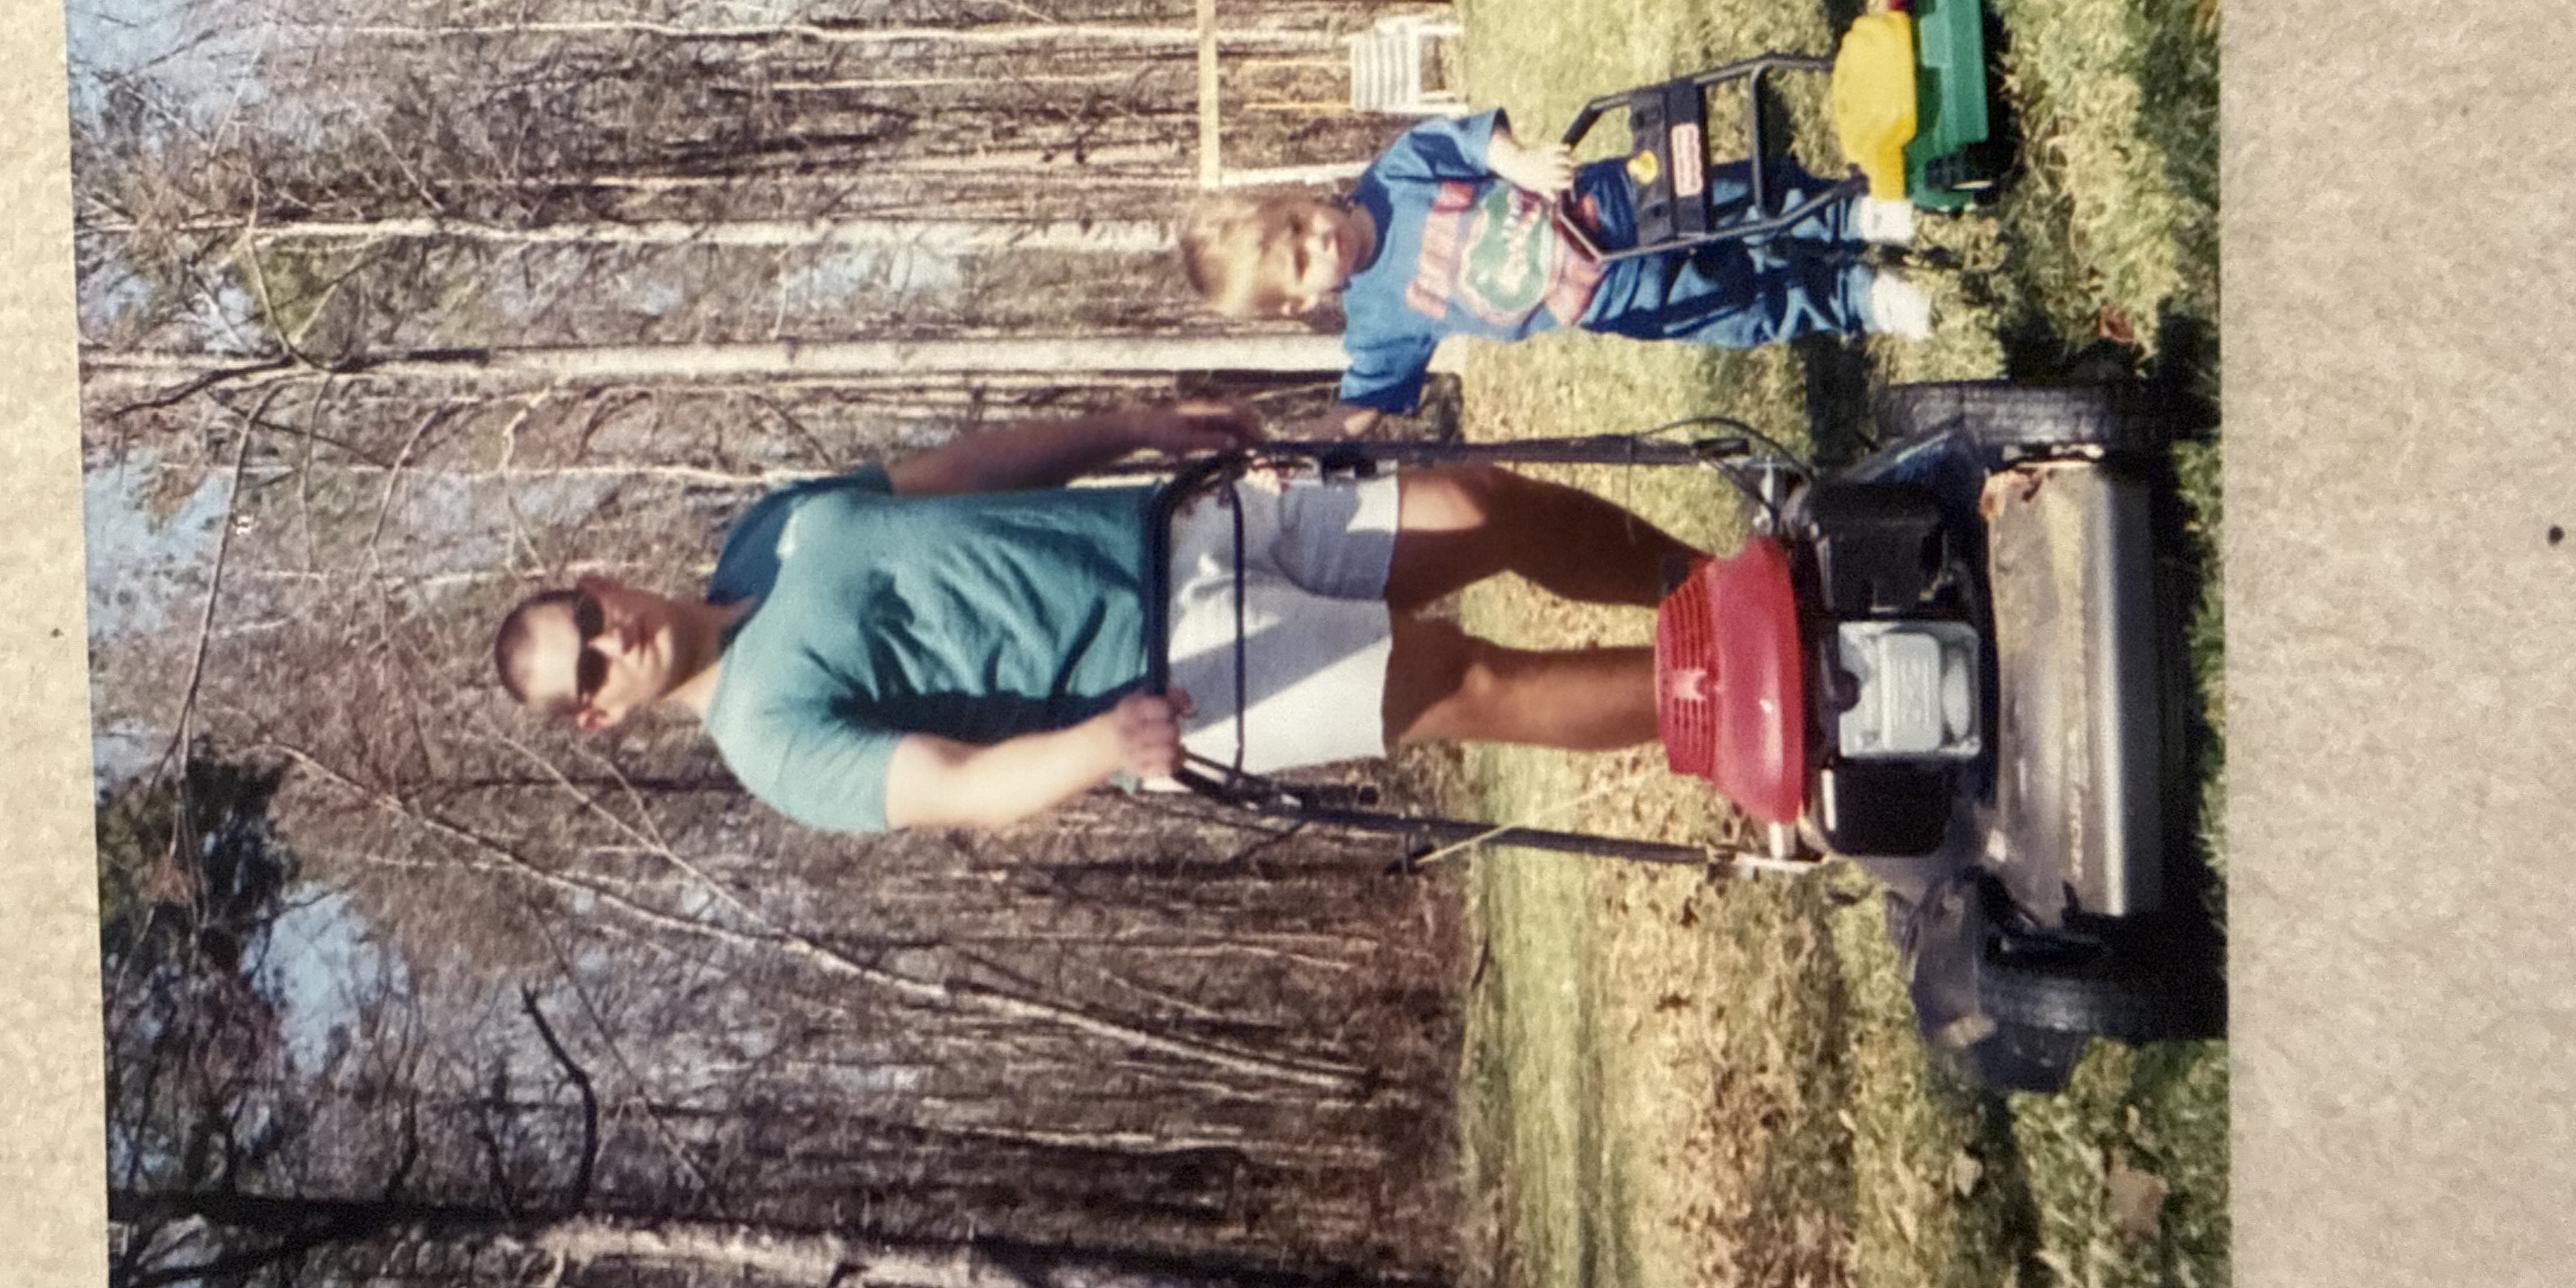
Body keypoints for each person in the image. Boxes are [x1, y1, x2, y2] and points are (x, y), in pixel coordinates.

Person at [493, 396, 1705, 834]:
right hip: (1174, 680)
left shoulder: (771, 526)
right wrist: (1102, 749)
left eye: (589, 618)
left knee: (1483, 505)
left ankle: (1726, 584)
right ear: (601, 714)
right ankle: (1774, 685)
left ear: (602, 582)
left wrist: (1132, 427)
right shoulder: (768, 742)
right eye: (588, 670)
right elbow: (956, 782)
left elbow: (961, 471)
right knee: (1464, 679)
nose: (611, 641)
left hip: (1182, 524)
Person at [1177, 107, 1929, 436]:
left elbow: (1474, 143)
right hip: (1606, 295)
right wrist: (1291, 451)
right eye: (1302, 260)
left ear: (1303, 197)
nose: (1321, 241)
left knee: (1732, 198)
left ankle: (1849, 215)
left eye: (1302, 224)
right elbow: (1358, 411)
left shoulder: (1395, 173)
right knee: (1738, 306)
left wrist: (1521, 161)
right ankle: (1857, 296)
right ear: (1299, 304)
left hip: (1606, 203)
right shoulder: (1379, 327)